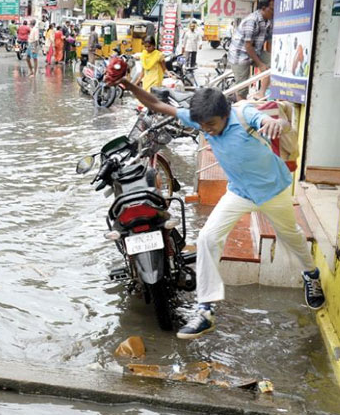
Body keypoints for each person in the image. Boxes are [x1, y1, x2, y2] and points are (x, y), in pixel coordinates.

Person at [110, 79, 325, 338]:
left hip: (272, 191)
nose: (207, 131)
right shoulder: (201, 119)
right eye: (202, 127)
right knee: (207, 238)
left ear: (224, 115)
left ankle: (311, 275)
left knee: (291, 237)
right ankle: (206, 311)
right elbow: (156, 103)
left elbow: (281, 124)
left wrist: (275, 123)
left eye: (211, 125)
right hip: (238, 192)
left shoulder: (244, 115)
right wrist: (127, 85)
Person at [227, 0, 274, 99]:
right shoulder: (252, 21)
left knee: (273, 63)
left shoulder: (269, 21)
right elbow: (248, 46)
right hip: (240, 56)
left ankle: (261, 93)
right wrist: (260, 64)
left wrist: (267, 60)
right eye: (271, 9)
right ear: (263, 8)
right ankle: (240, 108)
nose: (274, 12)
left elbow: (269, 42)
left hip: (255, 52)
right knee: (242, 89)